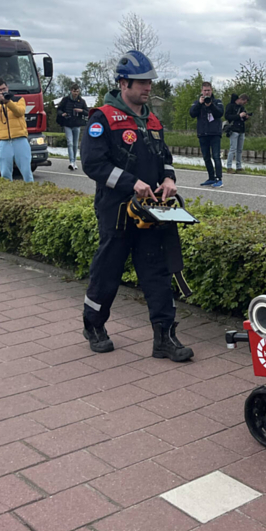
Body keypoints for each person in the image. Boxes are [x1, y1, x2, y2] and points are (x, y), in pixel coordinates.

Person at [79, 49, 193, 361]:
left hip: (153, 212)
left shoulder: (153, 119)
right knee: (107, 272)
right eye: (142, 83)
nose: (148, 88)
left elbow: (165, 158)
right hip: (117, 211)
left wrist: (169, 179)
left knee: (157, 272)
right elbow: (93, 164)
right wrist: (133, 183)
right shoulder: (101, 118)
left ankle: (165, 338)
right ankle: (94, 326)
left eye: (150, 82)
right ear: (123, 83)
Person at [0, 75, 33, 182]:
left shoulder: (18, 99)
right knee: (5, 171)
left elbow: (19, 112)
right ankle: (7, 192)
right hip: (4, 140)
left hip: (20, 138)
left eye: (4, 89)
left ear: (7, 87)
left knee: (26, 169)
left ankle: (31, 188)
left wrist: (8, 102)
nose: (2, 91)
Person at [189, 82, 224, 187]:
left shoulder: (217, 102)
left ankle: (219, 178)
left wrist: (211, 105)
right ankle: (211, 177)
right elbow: (192, 114)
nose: (206, 92)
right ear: (201, 91)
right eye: (204, 90)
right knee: (206, 157)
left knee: (216, 156)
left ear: (211, 90)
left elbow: (220, 113)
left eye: (208, 90)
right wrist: (200, 104)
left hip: (215, 133)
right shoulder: (197, 103)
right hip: (203, 133)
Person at [57, 83, 89, 170]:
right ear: (71, 91)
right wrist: (62, 114)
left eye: (77, 91)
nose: (76, 93)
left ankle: (74, 162)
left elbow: (87, 112)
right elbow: (59, 109)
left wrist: (81, 110)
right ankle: (71, 161)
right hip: (67, 123)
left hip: (77, 124)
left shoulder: (82, 101)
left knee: (75, 144)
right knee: (70, 143)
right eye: (74, 91)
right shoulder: (65, 100)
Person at [224, 93, 251, 173]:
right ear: (241, 99)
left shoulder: (242, 107)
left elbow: (241, 118)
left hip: (241, 129)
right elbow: (227, 117)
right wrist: (239, 115)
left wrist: (245, 117)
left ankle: (238, 167)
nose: (244, 104)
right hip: (234, 129)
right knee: (233, 149)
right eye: (244, 102)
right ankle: (229, 167)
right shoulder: (230, 106)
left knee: (239, 150)